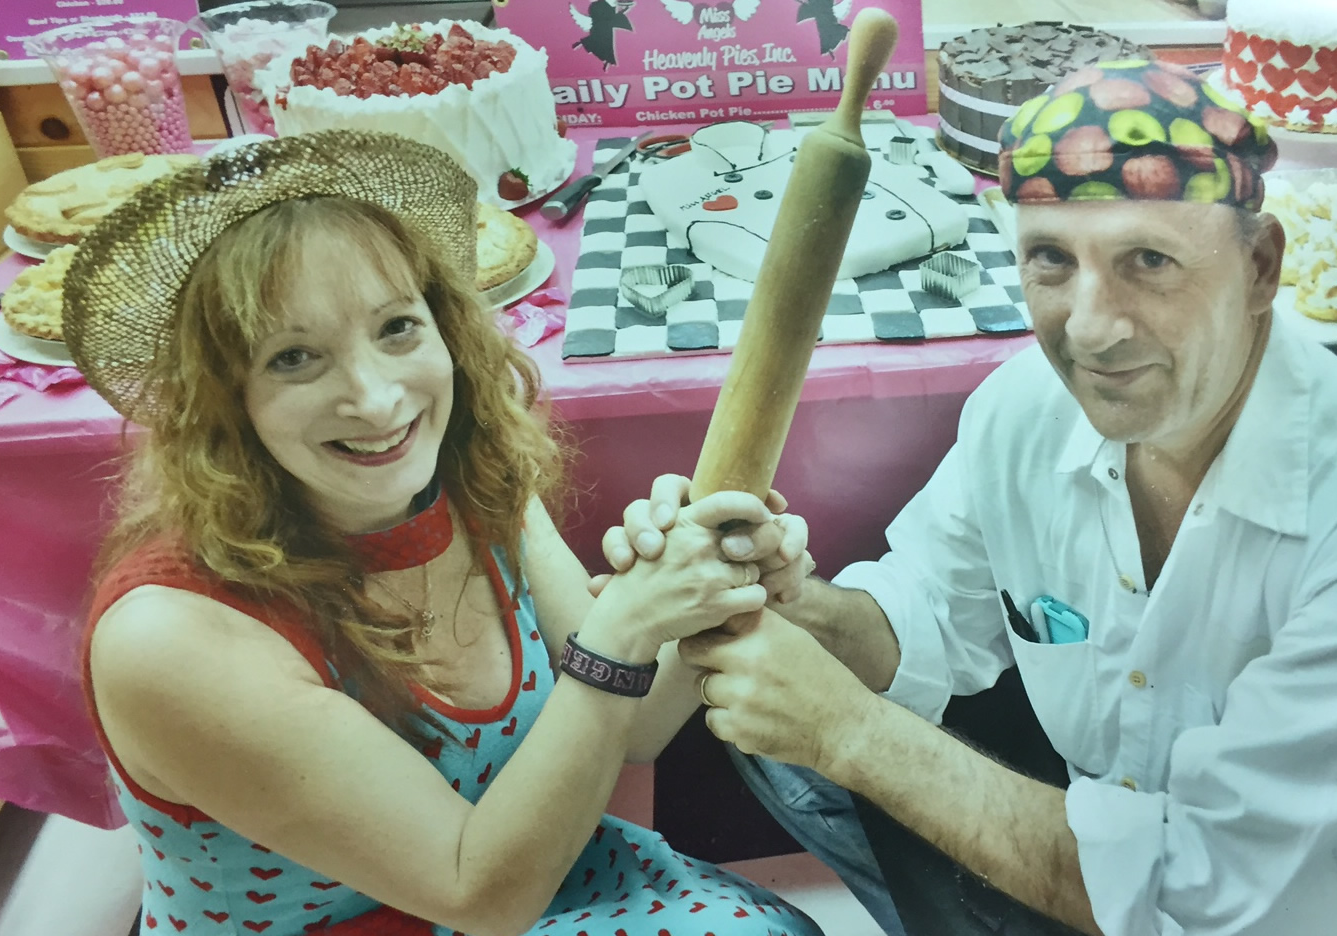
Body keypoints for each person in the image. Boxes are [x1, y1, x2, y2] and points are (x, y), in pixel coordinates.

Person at [602, 61, 1337, 936]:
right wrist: (792, 602)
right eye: (1052, 260)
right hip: (1115, 840)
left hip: (1276, 916)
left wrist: (850, 733)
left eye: (1149, 261)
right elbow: (928, 615)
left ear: (1260, 267)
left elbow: (1205, 890)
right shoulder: (1026, 408)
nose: (1091, 328)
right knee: (779, 714)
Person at [64, 131, 822, 936]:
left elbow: (633, 725)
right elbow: (481, 896)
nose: (376, 399)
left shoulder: (469, 482)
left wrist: (712, 590)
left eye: (396, 327)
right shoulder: (170, 639)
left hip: (535, 874)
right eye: (293, 357)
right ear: (221, 399)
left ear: (449, 328)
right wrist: (625, 629)